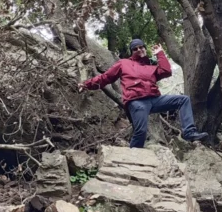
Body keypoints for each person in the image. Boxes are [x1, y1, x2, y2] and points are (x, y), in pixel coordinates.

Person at [78, 39, 208, 147]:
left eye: (141, 47)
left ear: (145, 49)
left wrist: (160, 53)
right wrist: (86, 84)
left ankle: (189, 132)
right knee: (141, 131)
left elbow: (166, 71)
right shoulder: (124, 63)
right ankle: (133, 157)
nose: (139, 50)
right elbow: (105, 78)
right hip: (136, 101)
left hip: (154, 100)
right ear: (132, 51)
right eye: (135, 48)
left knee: (183, 100)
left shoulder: (151, 67)